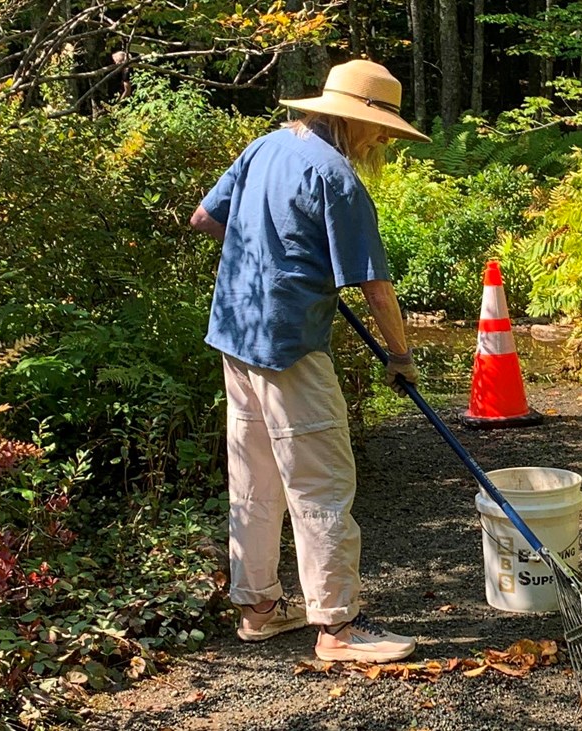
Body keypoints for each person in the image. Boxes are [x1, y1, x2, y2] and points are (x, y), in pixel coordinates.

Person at [189, 59, 429, 663]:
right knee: (321, 481)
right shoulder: (338, 178)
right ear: (351, 122)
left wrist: (265, 254)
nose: (382, 141)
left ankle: (259, 609)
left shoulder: (263, 146)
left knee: (255, 478)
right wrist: (400, 357)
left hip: (236, 337)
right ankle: (338, 627)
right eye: (380, 130)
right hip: (291, 347)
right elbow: (375, 286)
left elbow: (205, 220)